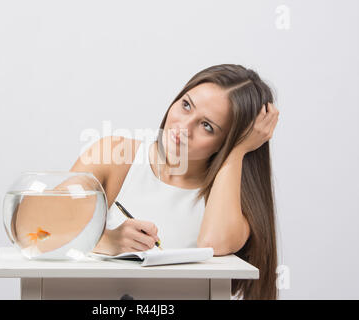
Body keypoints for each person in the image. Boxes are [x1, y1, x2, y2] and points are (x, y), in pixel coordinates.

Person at [70, 64, 280, 300]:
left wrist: (237, 151)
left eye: (207, 126)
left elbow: (213, 242)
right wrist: (104, 241)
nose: (183, 127)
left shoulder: (229, 200)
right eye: (186, 105)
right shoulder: (115, 155)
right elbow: (40, 228)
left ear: (226, 142)